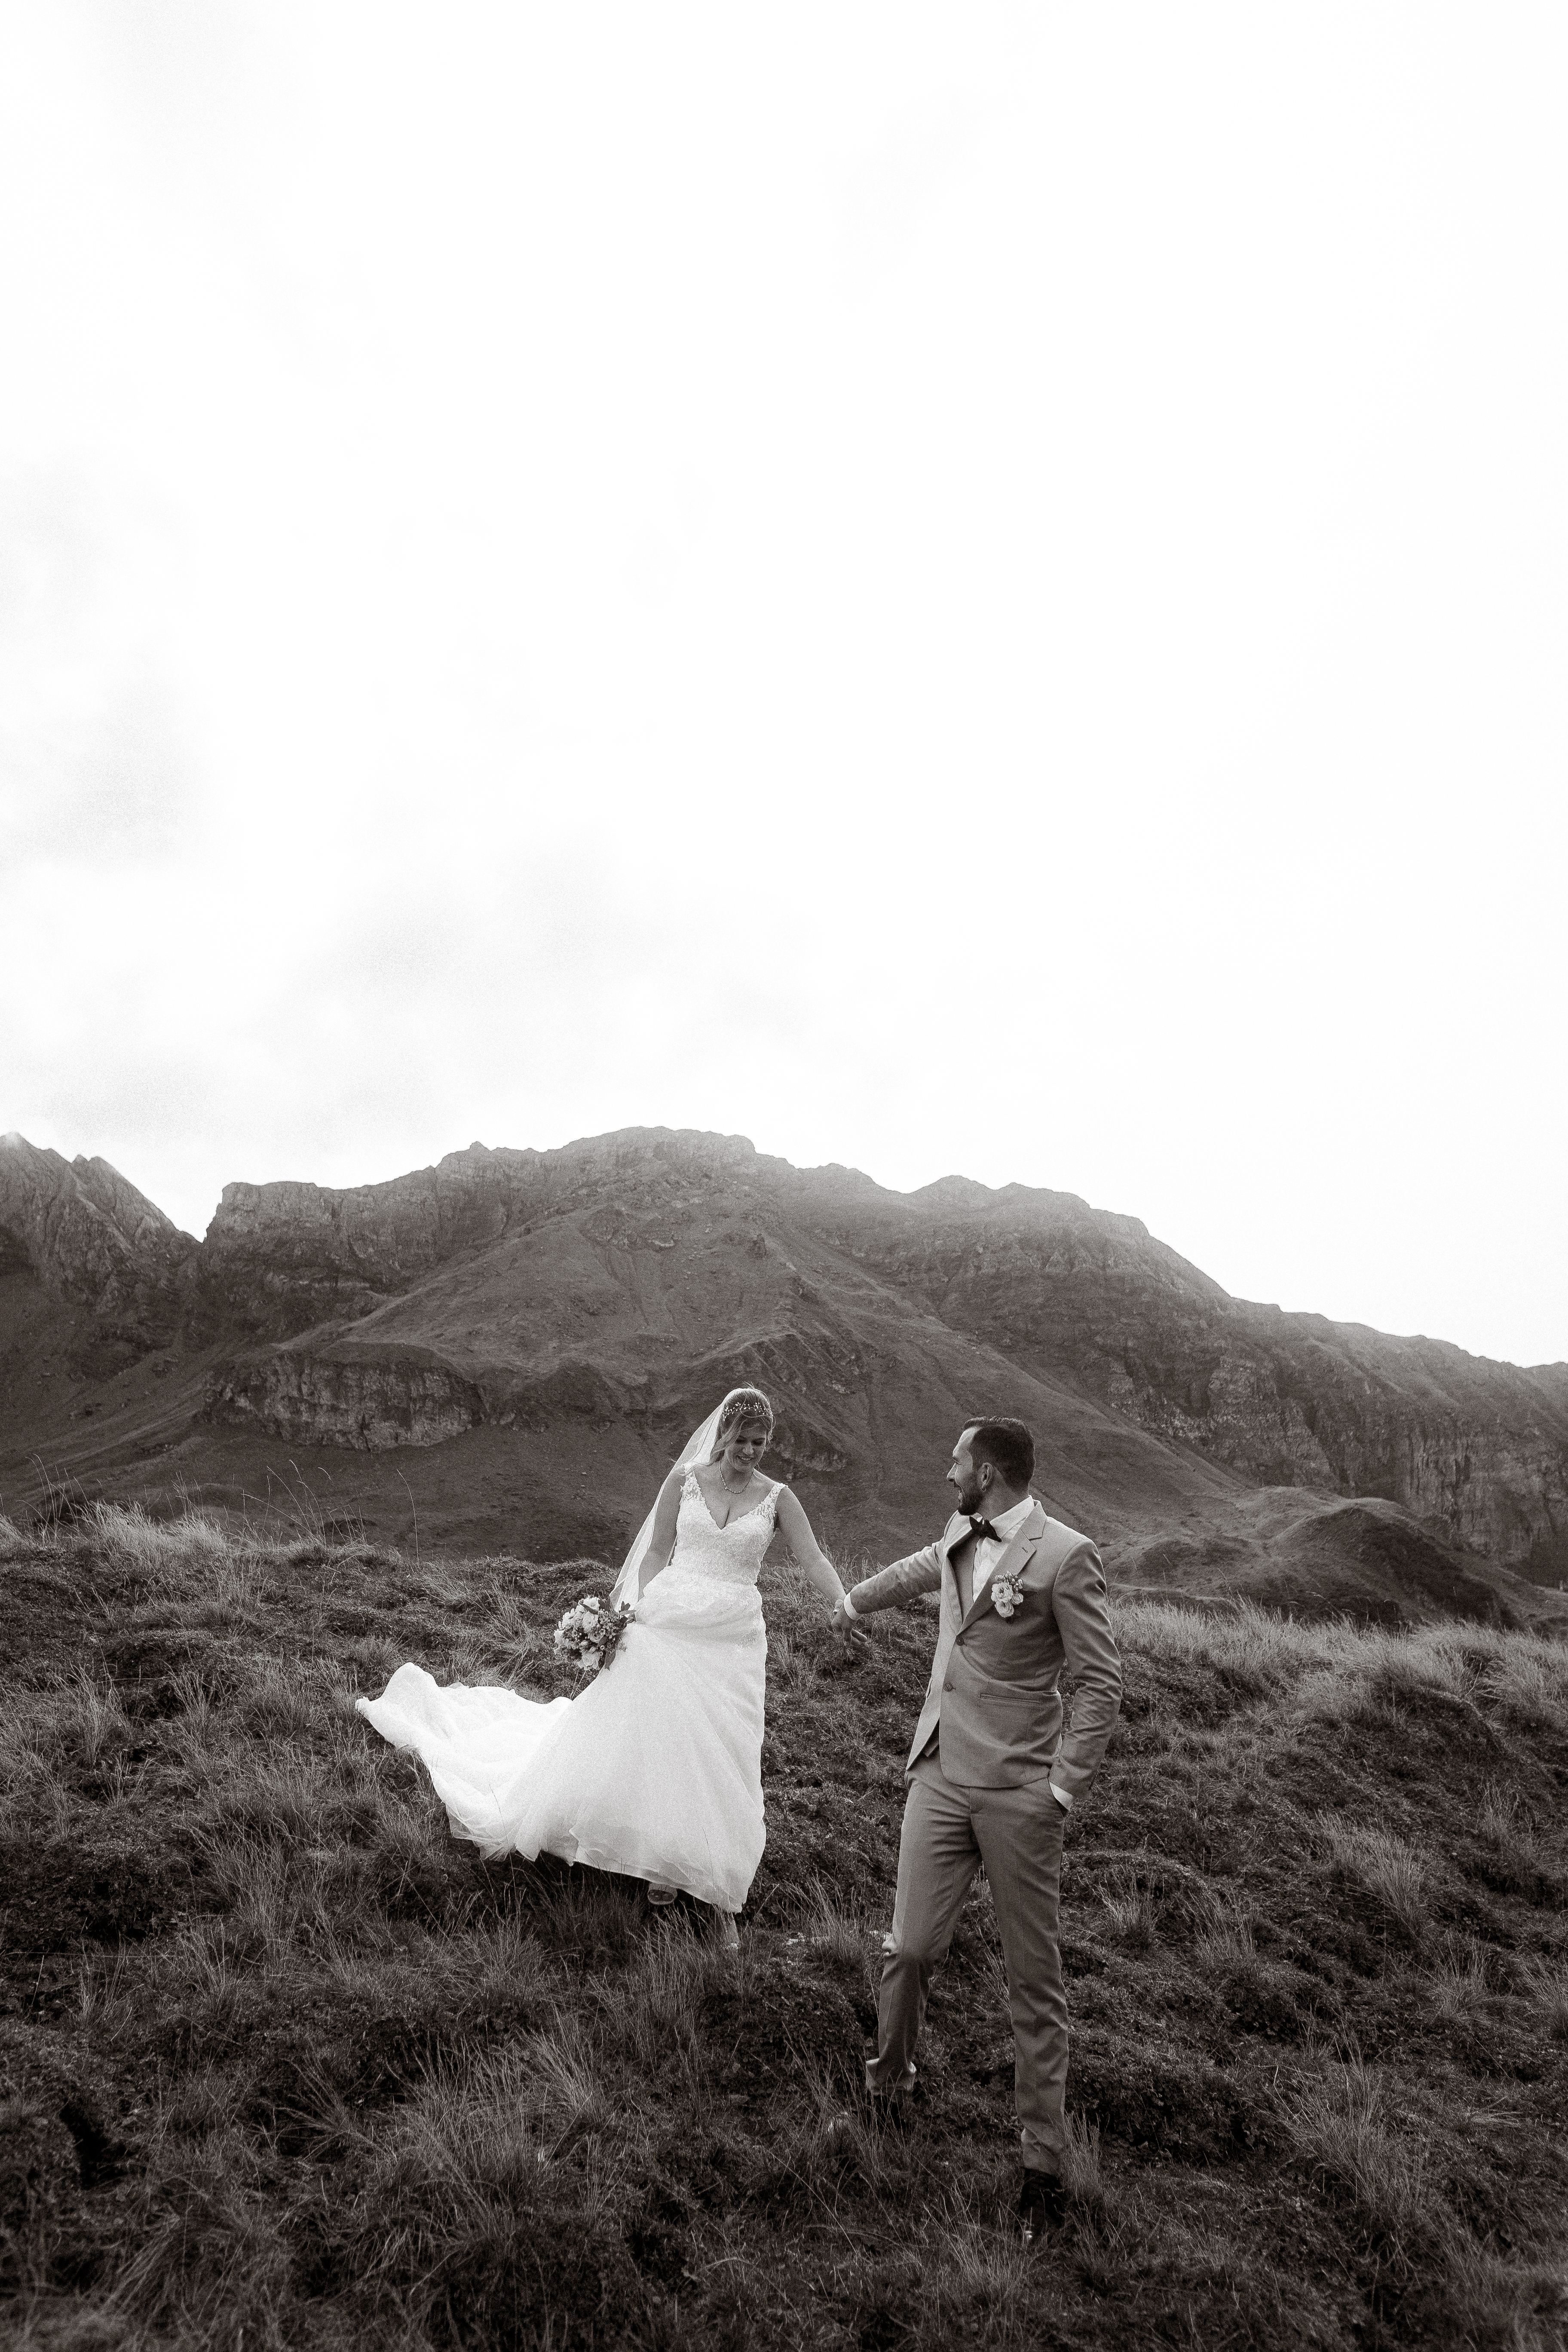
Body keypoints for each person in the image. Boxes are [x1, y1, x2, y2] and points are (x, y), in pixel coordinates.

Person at [357, 1386, 847, 1945]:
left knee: (721, 1750)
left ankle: (711, 1886)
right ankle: (659, 1865)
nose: (752, 1451)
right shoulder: (685, 1482)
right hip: (671, 1621)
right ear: (724, 1435)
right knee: (659, 1738)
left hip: (732, 1639)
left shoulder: (778, 1498)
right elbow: (658, 1551)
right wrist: (630, 1612)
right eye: (743, 1440)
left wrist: (842, 1603)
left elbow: (813, 1557)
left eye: (761, 1442)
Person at [830, 1415, 1121, 2242]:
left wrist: (1060, 1790)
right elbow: (928, 1568)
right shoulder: (962, 1525)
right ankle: (889, 2088)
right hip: (938, 1774)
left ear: (987, 1472)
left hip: (1021, 1793)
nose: (945, 1470)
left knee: (1034, 1981)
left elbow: (1101, 1684)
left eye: (956, 1460)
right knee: (910, 1946)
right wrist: (854, 1602)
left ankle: (1041, 2160)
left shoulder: (1067, 1556)